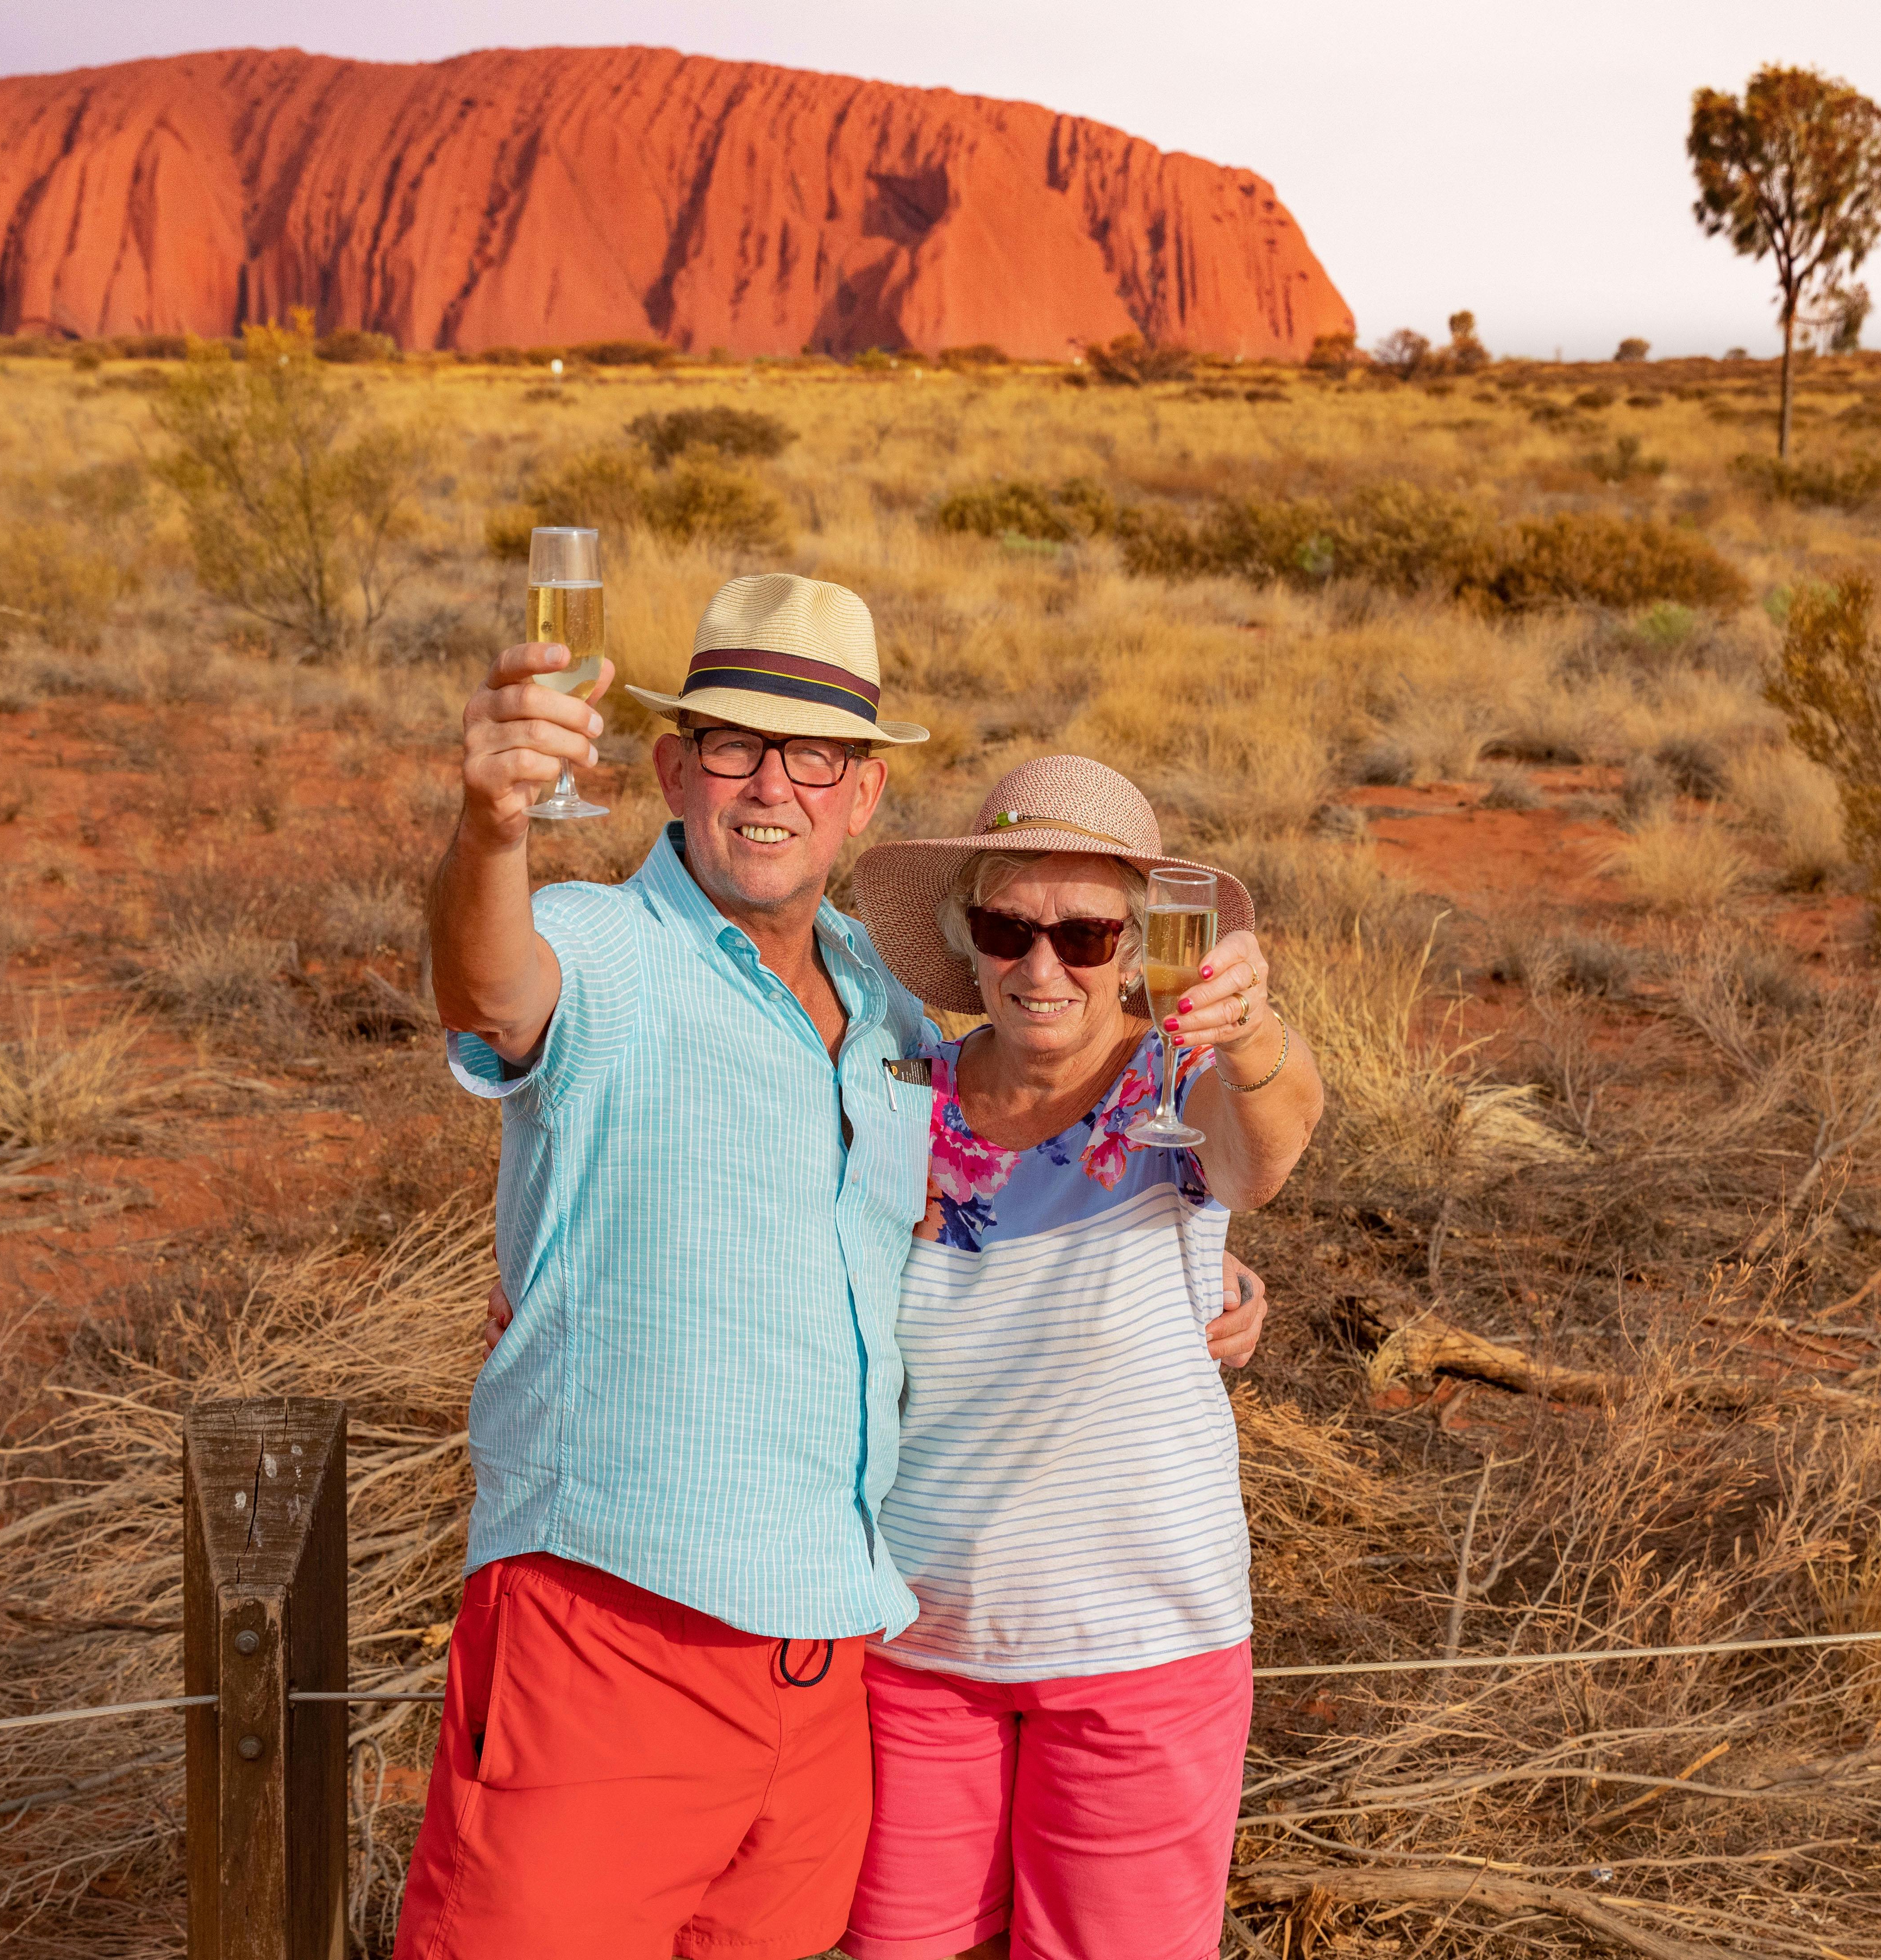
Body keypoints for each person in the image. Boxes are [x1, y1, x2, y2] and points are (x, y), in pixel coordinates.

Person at [404, 574, 1260, 1960]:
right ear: (673, 769)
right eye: (735, 747)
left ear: (863, 796)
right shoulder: (601, 946)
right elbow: (492, 990)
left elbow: (1002, 1185)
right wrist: (491, 824)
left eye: (813, 756)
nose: (770, 787)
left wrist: (1201, 1285)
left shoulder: (885, 1008)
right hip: (611, 1632)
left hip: (830, 1665)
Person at [842, 756, 1325, 1960]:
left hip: (1141, 1651)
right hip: (916, 1651)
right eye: (1009, 928)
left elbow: (1270, 1149)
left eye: (1086, 934)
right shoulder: (900, 1098)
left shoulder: (1182, 1085)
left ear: (1137, 946)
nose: (1042, 966)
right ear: (965, 938)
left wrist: (1256, 1034)